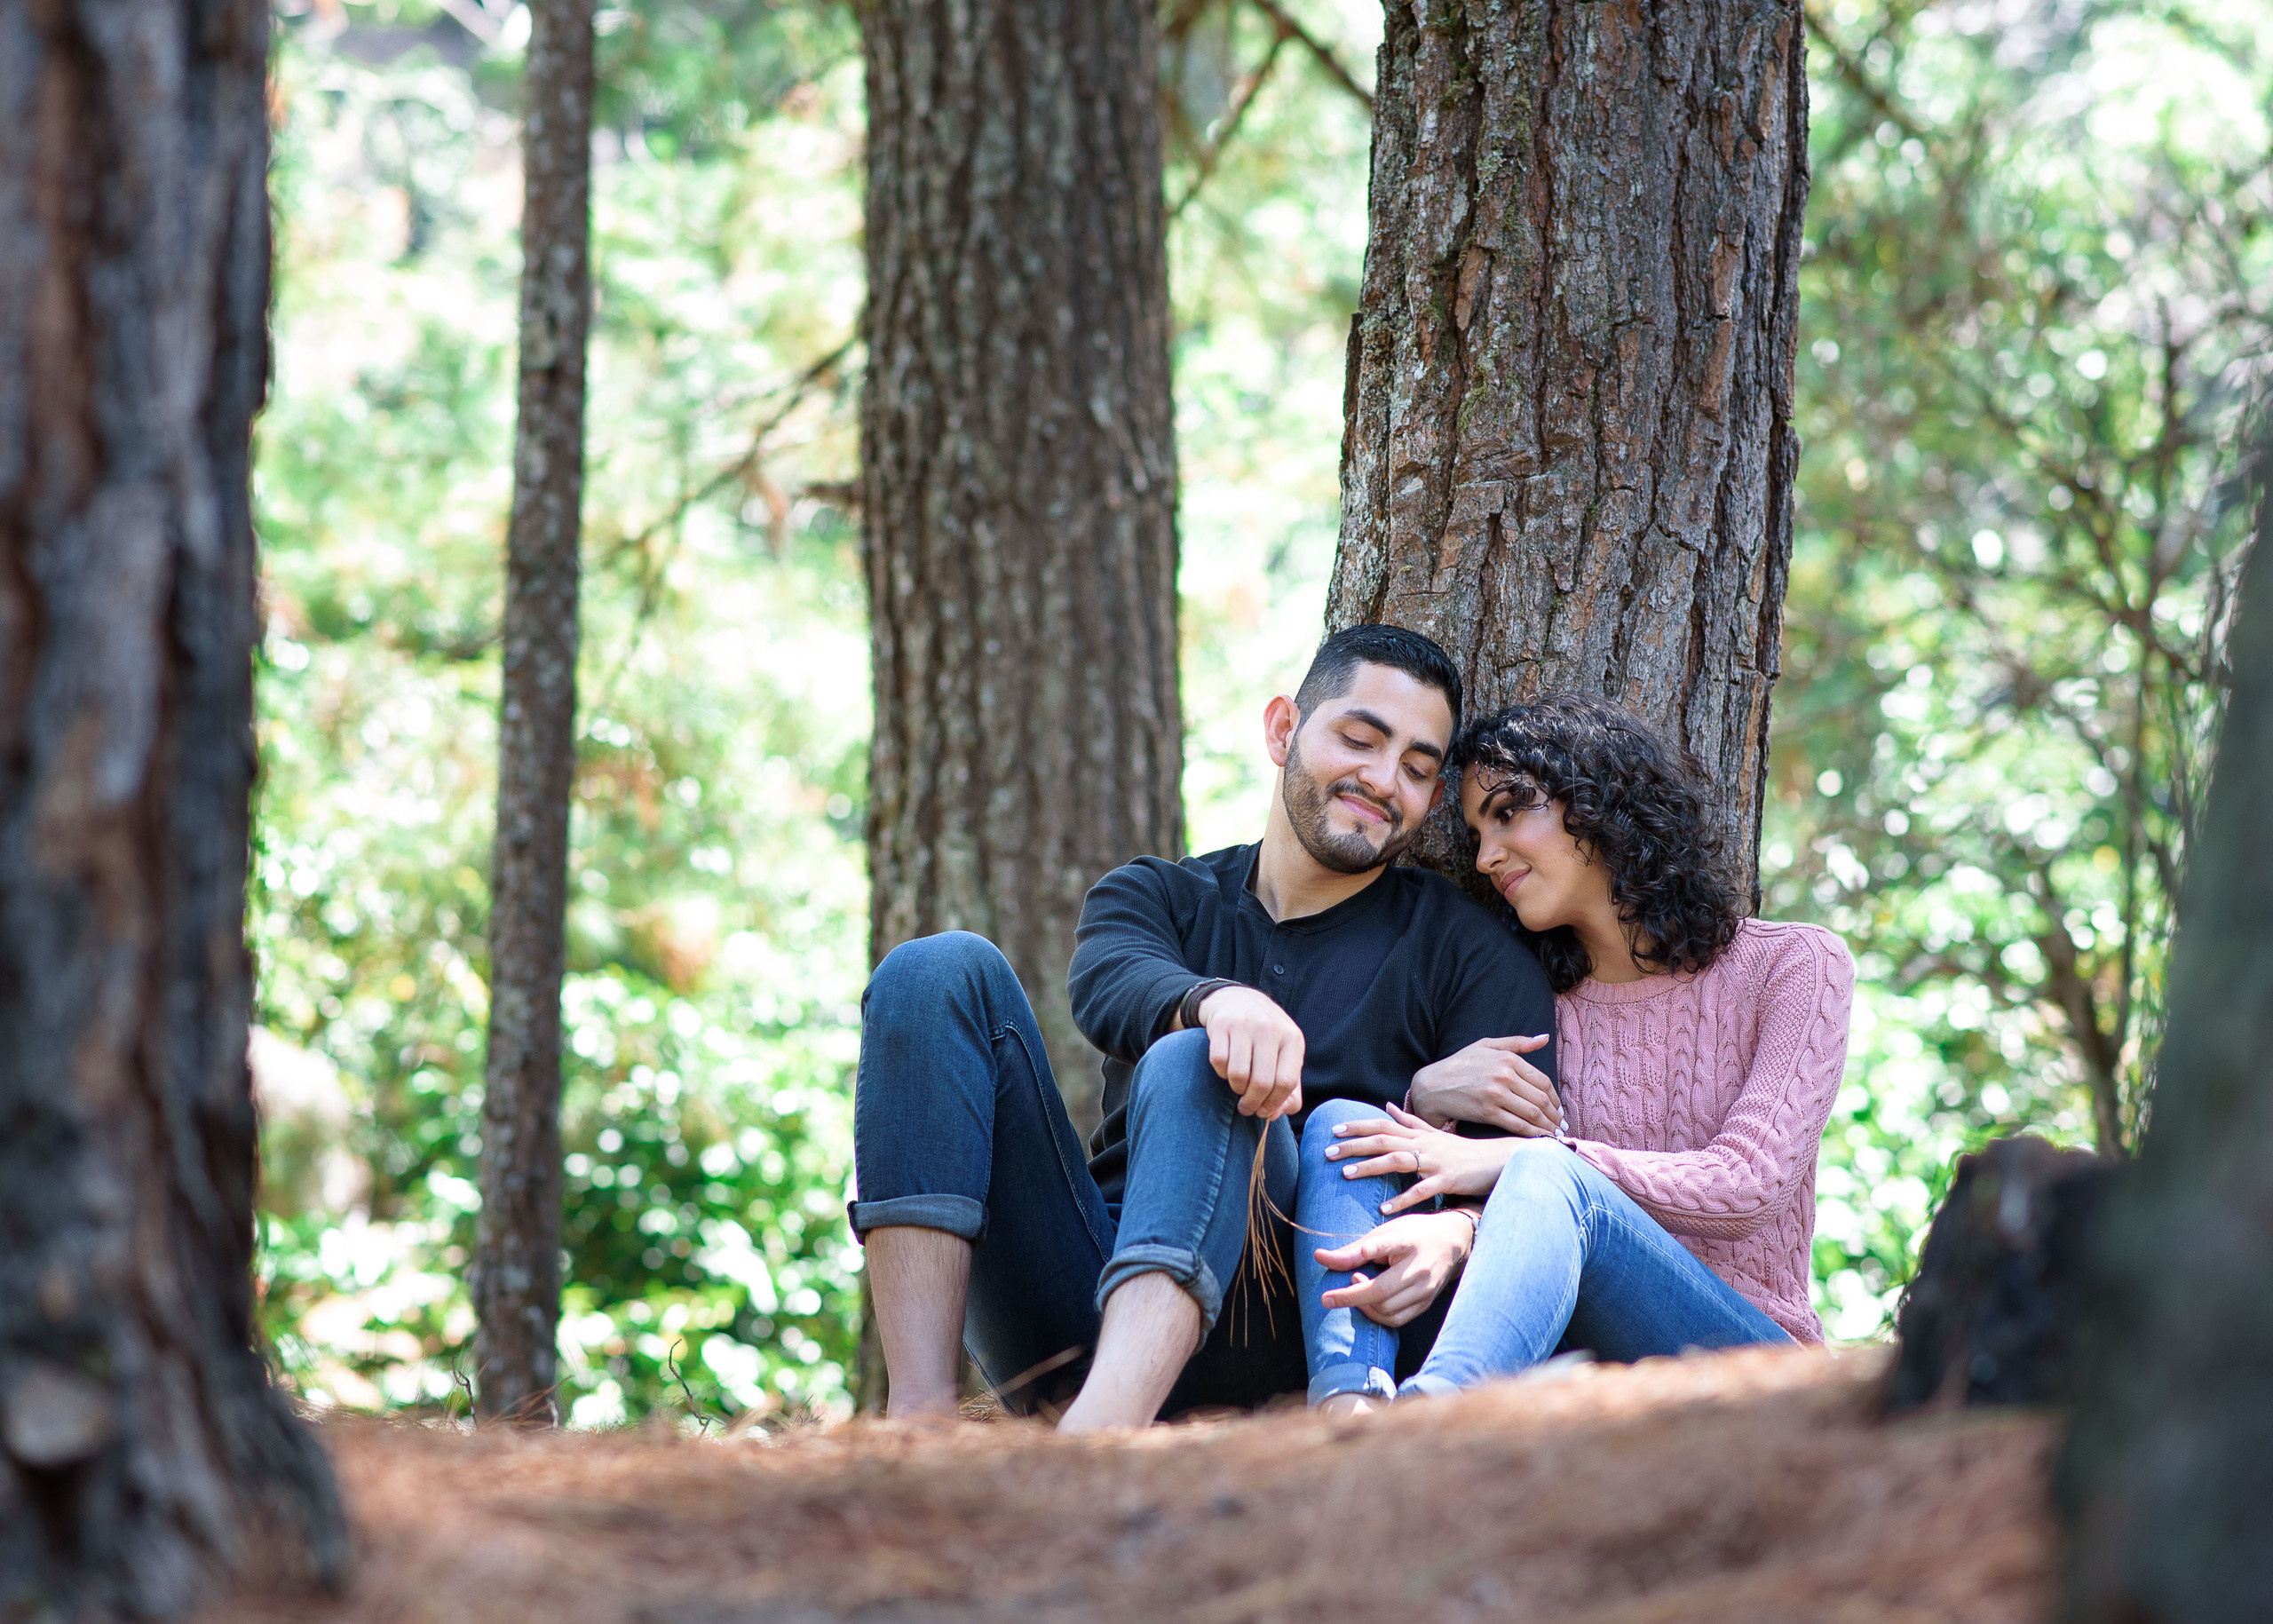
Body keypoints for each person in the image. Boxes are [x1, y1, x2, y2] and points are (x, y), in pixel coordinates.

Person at [849, 625, 1559, 1429]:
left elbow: (1536, 1181)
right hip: (1085, 1297)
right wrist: (1218, 1000)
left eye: (1419, 769)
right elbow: (1108, 983)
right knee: (932, 972)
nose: (1383, 779)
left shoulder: (1469, 952)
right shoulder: (1159, 894)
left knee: (1203, 1068)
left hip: (1295, 1328)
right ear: (1283, 729)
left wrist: (1427, 1126)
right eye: (1360, 739)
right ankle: (914, 1422)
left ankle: (1101, 1441)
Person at [1316, 693, 1854, 1394]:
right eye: (1477, 831)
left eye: (1509, 812)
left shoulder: (1795, 966)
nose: (1485, 857)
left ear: (1599, 798)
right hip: (1579, 1365)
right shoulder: (1536, 1000)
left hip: (1757, 1361)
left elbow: (1750, 1184)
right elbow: (1525, 1218)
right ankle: (1353, 1405)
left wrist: (1535, 1159)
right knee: (1348, 1132)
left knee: (1547, 1172)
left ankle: (1436, 1413)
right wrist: (1427, 1095)